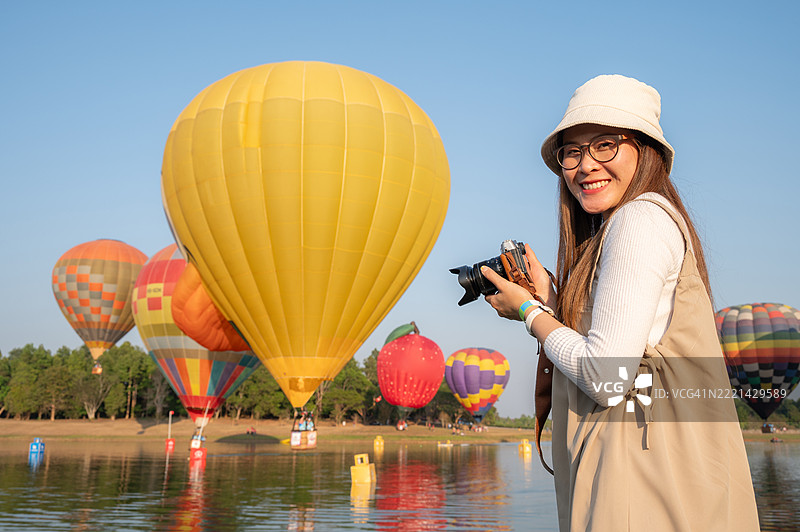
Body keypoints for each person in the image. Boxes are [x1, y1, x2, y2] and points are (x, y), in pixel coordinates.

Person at [480, 75, 759, 531]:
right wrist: (552, 298)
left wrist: (529, 314)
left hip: (638, 477)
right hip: (650, 475)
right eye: (572, 151)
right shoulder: (629, 226)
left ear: (644, 150)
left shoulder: (638, 219)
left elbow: (606, 376)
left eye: (605, 145)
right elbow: (622, 338)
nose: (586, 165)